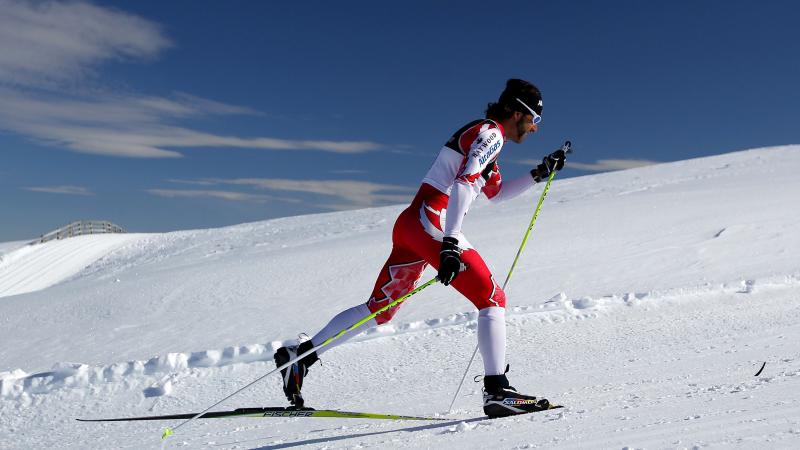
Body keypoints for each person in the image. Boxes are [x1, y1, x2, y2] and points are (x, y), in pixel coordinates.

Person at [274, 79, 567, 418]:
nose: (534, 128)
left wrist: (539, 174)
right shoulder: (491, 134)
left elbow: (496, 193)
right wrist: (451, 243)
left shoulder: (486, 140)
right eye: (534, 120)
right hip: (433, 220)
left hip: (413, 224)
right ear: (517, 112)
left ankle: (302, 357)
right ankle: (497, 390)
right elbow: (464, 182)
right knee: (492, 298)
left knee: (380, 309)